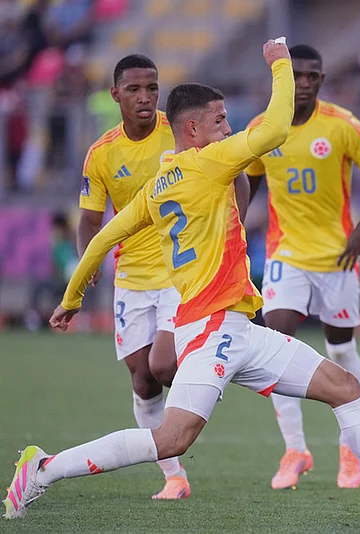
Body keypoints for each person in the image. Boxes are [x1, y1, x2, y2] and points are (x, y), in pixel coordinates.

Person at [4, 40, 360, 525]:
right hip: (210, 331)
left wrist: (71, 298)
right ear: (192, 130)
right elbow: (276, 128)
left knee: (344, 387)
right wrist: (279, 63)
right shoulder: (210, 160)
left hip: (237, 328)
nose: (229, 127)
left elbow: (101, 240)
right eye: (220, 120)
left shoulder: (158, 185)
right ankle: (43, 469)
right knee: (172, 438)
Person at [245, 44, 360, 491]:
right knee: (275, 343)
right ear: (283, 79)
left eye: (313, 76)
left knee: (341, 350)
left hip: (337, 256)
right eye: (298, 76)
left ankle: (351, 447)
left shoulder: (342, 124)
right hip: (285, 254)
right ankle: (295, 450)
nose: (305, 83)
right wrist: (233, 234)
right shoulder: (262, 129)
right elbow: (246, 186)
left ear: (322, 80)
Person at [77, 54, 193, 500]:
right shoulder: (102, 153)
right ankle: (174, 477)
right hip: (130, 277)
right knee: (143, 380)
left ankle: (209, 379)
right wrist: (87, 262)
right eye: (134, 89)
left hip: (179, 269)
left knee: (164, 365)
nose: (145, 97)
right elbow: (90, 220)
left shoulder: (179, 132)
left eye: (152, 88)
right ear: (115, 95)